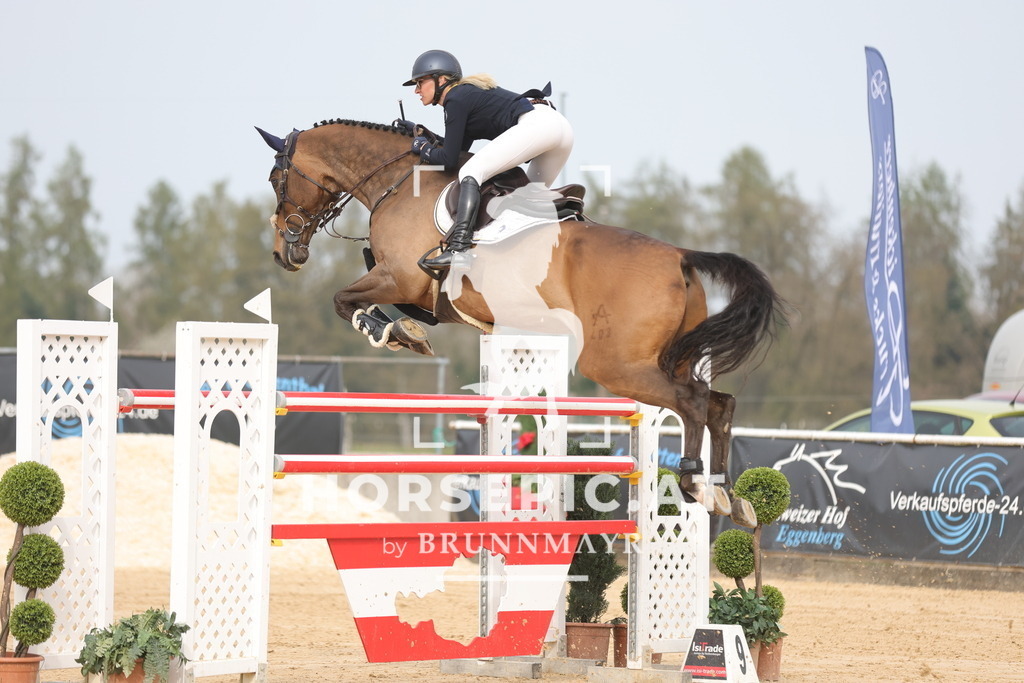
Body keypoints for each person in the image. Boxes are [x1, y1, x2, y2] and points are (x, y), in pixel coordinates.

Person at [395, 49, 574, 273]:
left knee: (471, 172)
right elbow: (456, 149)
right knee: (526, 199)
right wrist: (419, 132)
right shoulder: (465, 96)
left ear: (441, 80)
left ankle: (459, 249)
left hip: (539, 125)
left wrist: (421, 148)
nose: (416, 90)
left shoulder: (455, 98)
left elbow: (449, 161)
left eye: (420, 82)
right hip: (560, 129)